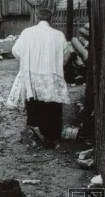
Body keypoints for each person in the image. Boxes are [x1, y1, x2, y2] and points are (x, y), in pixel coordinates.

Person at [7, 9, 71, 148]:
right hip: (52, 76)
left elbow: (15, 51)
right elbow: (67, 54)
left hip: (33, 75)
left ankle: (34, 137)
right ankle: (52, 138)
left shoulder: (27, 33)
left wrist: (27, 62)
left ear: (36, 18)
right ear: (51, 19)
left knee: (34, 104)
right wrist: (57, 66)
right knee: (53, 106)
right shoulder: (58, 35)